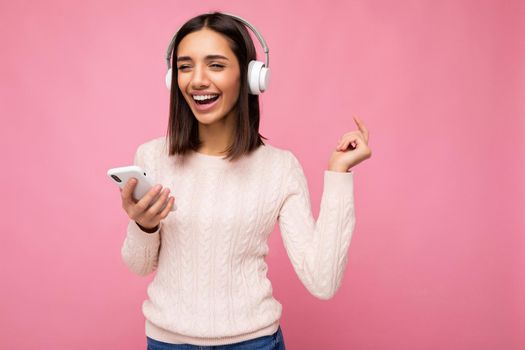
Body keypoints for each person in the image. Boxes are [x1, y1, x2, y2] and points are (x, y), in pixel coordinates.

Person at [118, 11, 372, 350]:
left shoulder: (280, 168)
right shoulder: (151, 157)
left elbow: (322, 281)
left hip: (253, 343)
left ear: (252, 76)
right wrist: (143, 226)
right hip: (167, 342)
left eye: (216, 65)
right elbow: (138, 265)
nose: (197, 80)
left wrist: (339, 174)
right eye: (185, 66)